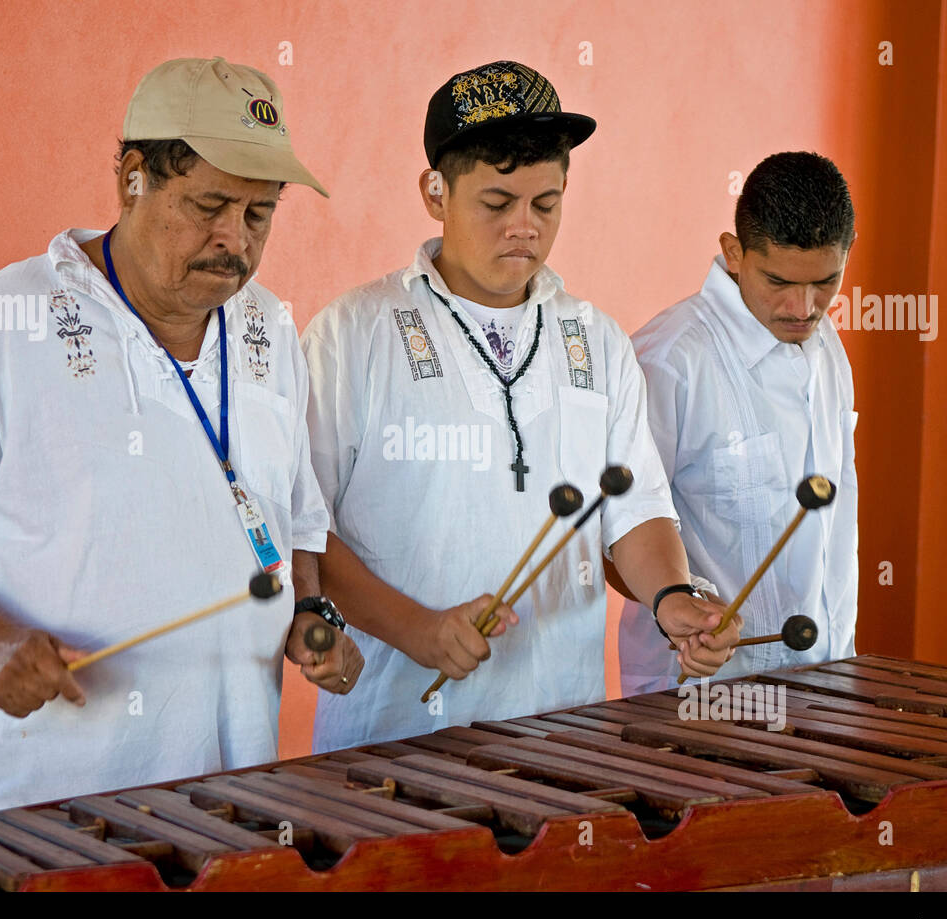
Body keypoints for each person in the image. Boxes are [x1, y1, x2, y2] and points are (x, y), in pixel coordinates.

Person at [0, 57, 363, 813]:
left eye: (258, 214)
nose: (233, 240)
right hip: (59, 805)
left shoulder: (268, 324)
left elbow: (295, 520)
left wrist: (310, 616)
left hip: (237, 797)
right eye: (209, 205)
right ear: (133, 178)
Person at [301, 61, 739, 752]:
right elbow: (305, 527)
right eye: (497, 202)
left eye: (546, 203)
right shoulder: (351, 333)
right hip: (392, 737)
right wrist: (418, 629)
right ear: (434, 191)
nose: (523, 228)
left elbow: (638, 512)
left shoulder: (596, 339)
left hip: (563, 734)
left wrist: (671, 600)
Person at [617, 151, 859, 694]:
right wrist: (678, 601)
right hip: (699, 696)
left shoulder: (829, 350)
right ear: (733, 252)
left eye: (826, 281)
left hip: (828, 681)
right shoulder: (669, 360)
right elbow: (614, 538)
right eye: (778, 280)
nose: (803, 306)